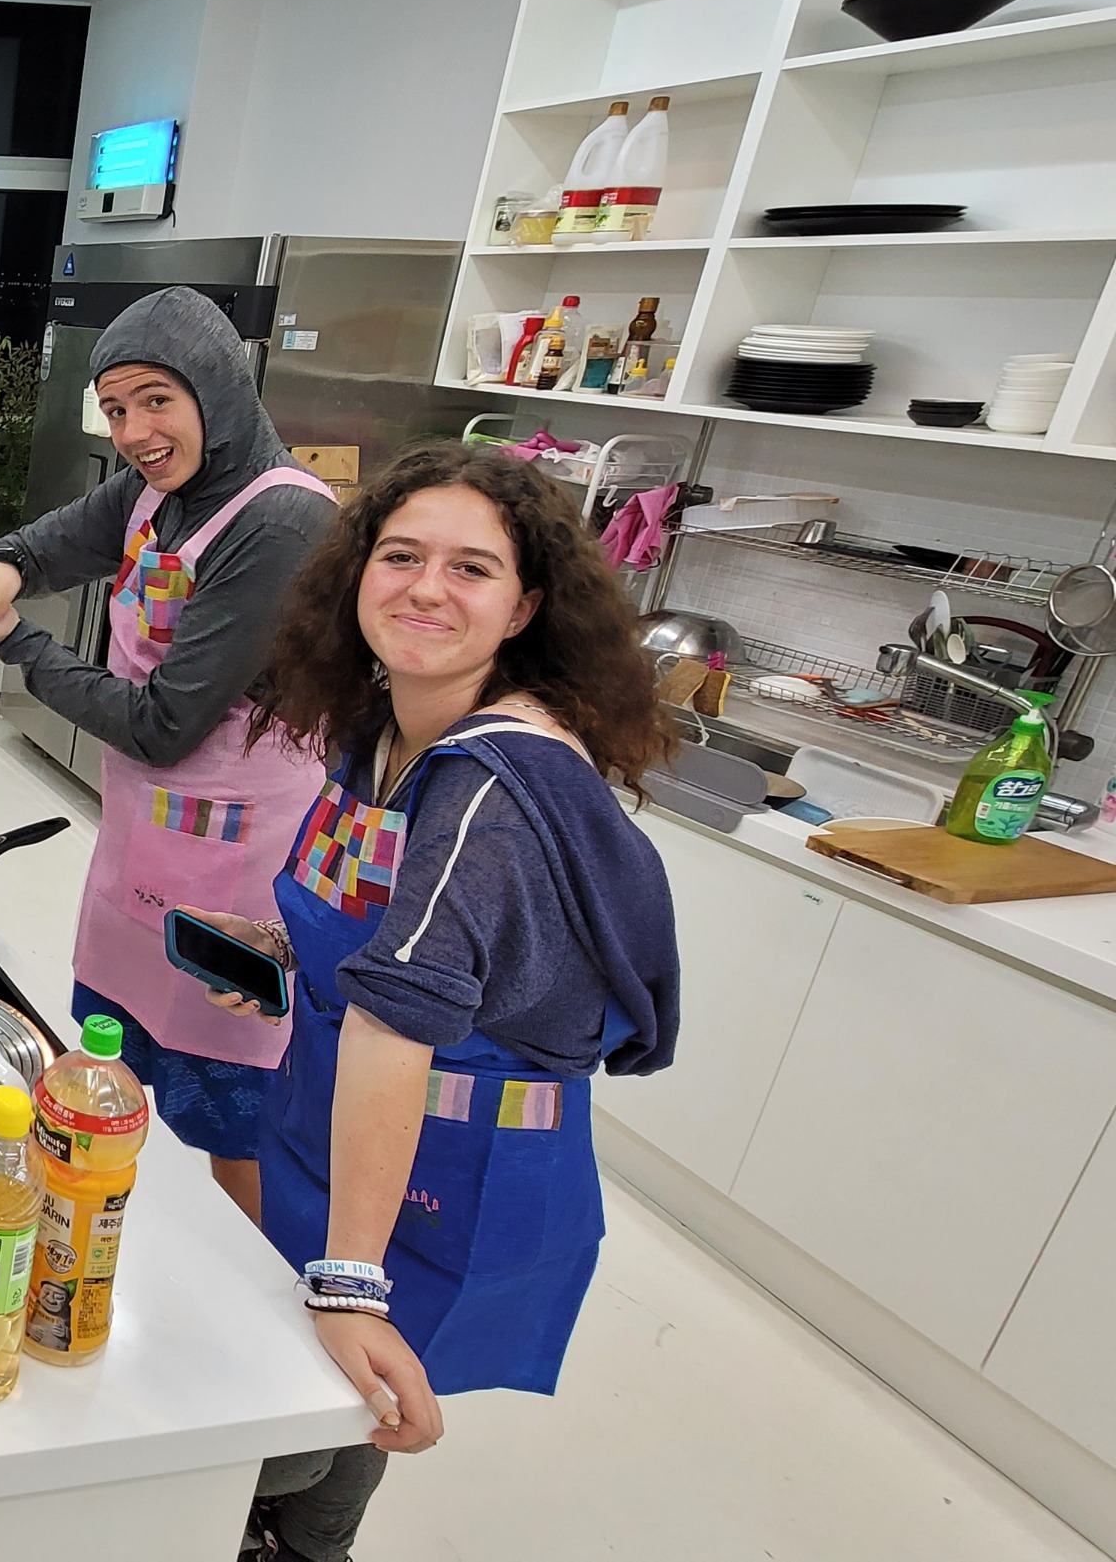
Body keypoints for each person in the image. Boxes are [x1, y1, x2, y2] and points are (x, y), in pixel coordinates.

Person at [196, 444, 680, 1562]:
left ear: (525, 608)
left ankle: (296, 1544)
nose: (424, 587)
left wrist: (353, 1280)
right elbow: (387, 942)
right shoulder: (385, 730)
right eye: (402, 554)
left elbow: (397, 1020)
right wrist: (280, 951)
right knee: (327, 1380)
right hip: (332, 1117)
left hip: (444, 1163)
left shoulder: (489, 792)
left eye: (471, 569)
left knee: (333, 1389)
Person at [0, 286, 338, 1216]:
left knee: (236, 1124)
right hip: (145, 837)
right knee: (108, 1070)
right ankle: (90, 1227)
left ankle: (272, 1311)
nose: (135, 430)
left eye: (157, 399)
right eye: (115, 408)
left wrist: (14, 638)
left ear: (219, 388)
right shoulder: (160, 489)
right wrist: (2, 568)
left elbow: (162, 721)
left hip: (239, 869)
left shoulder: (281, 521)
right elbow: (53, 541)